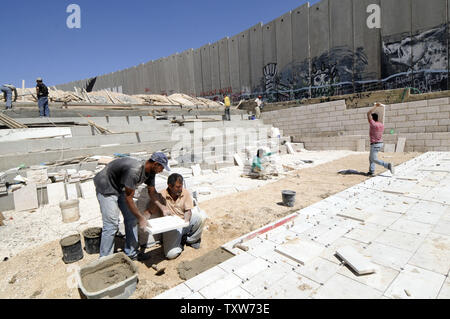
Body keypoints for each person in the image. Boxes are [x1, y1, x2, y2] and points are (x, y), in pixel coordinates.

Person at [93, 152, 171, 260]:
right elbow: (129, 198)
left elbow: (152, 193)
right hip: (106, 185)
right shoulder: (135, 171)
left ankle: (131, 253)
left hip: (120, 186)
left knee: (131, 219)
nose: (161, 171)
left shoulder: (151, 172)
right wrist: (141, 218)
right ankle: (104, 260)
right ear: (156, 164)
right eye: (161, 167)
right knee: (111, 224)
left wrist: (162, 207)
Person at [144, 173, 206, 260]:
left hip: (183, 222)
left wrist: (185, 222)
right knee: (171, 255)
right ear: (169, 185)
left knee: (200, 217)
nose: (180, 189)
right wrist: (143, 219)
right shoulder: (162, 195)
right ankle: (180, 243)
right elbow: (151, 210)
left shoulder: (185, 192)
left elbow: (188, 211)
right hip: (171, 227)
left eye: (181, 186)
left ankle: (191, 240)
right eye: (177, 187)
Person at [367, 103, 395, 176]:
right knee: (371, 158)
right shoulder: (381, 125)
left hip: (375, 144)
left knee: (374, 159)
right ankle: (371, 171)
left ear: (372, 119)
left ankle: (388, 165)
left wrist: (375, 106)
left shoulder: (373, 124)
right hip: (379, 143)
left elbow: (368, 113)